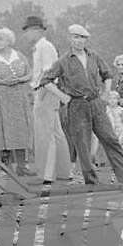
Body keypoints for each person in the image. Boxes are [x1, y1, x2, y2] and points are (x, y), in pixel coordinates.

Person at [39, 24, 123, 189]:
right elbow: (45, 81)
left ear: (86, 40)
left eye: (82, 37)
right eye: (75, 37)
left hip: (95, 102)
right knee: (82, 144)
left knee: (110, 138)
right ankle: (91, 181)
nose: (79, 41)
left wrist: (105, 93)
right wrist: (63, 96)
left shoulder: (94, 56)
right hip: (77, 104)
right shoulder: (63, 60)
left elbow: (107, 74)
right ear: (70, 39)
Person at [24, 16, 71, 185]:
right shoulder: (40, 47)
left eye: (29, 31)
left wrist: (41, 91)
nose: (27, 35)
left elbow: (49, 72)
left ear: (37, 30)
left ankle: (47, 174)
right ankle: (63, 171)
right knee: (56, 132)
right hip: (44, 90)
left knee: (45, 133)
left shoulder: (45, 47)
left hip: (46, 91)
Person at [0, 27, 32, 175]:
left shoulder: (20, 56)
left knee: (20, 131)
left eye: (1, 39)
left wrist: (19, 79)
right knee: (2, 131)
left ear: (9, 40)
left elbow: (29, 74)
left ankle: (22, 166)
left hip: (18, 100)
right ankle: (6, 167)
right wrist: (2, 81)